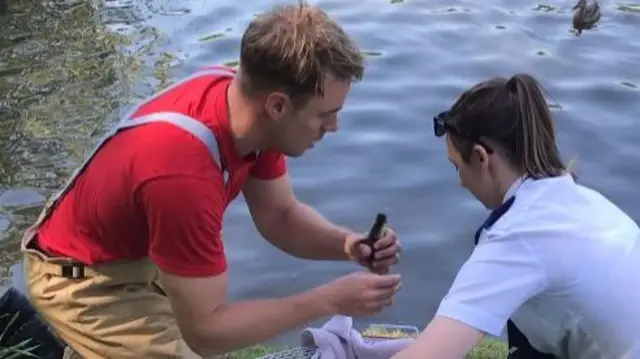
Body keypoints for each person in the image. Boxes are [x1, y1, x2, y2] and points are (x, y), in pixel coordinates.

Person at [20, 2, 403, 358]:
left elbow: (280, 215)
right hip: (82, 282)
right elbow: (206, 331)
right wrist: (328, 300)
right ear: (278, 106)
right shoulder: (182, 174)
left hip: (133, 256)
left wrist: (348, 244)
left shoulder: (251, 113)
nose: (333, 127)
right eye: (325, 115)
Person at [392, 74, 640, 359]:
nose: (460, 182)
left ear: (481, 158)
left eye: (457, 166)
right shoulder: (586, 203)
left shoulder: (519, 236)